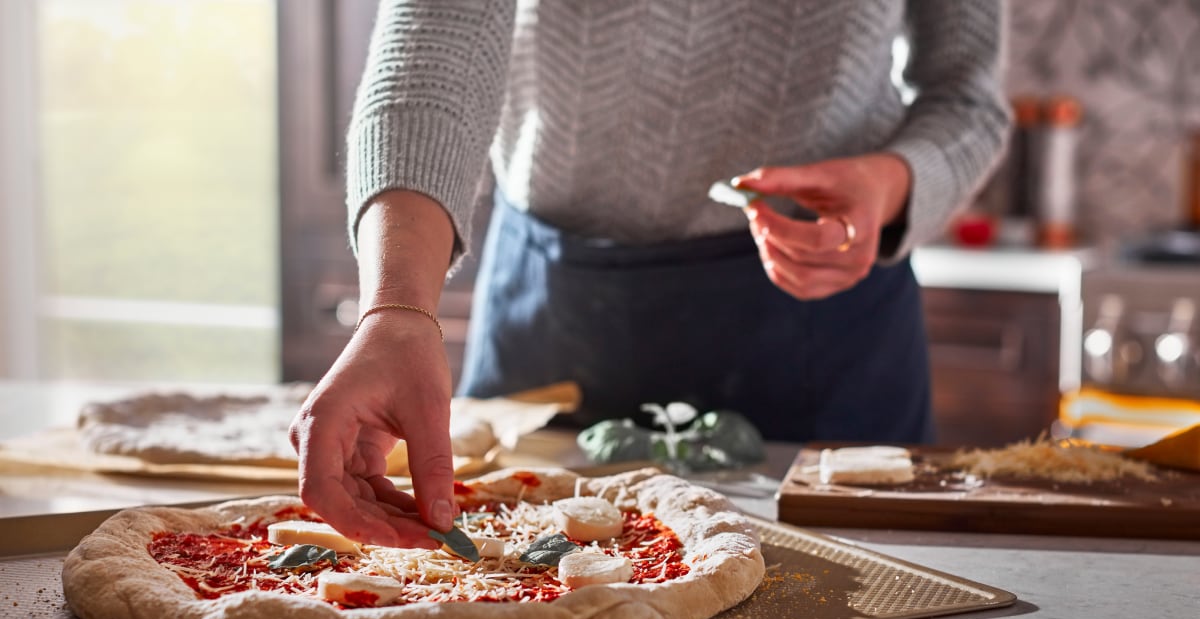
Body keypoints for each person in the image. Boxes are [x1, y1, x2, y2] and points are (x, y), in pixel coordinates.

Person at [288, 1, 1012, 547]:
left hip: (823, 332)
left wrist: (889, 184)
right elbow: (434, 49)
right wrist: (395, 308)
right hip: (554, 312)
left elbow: (969, 104)